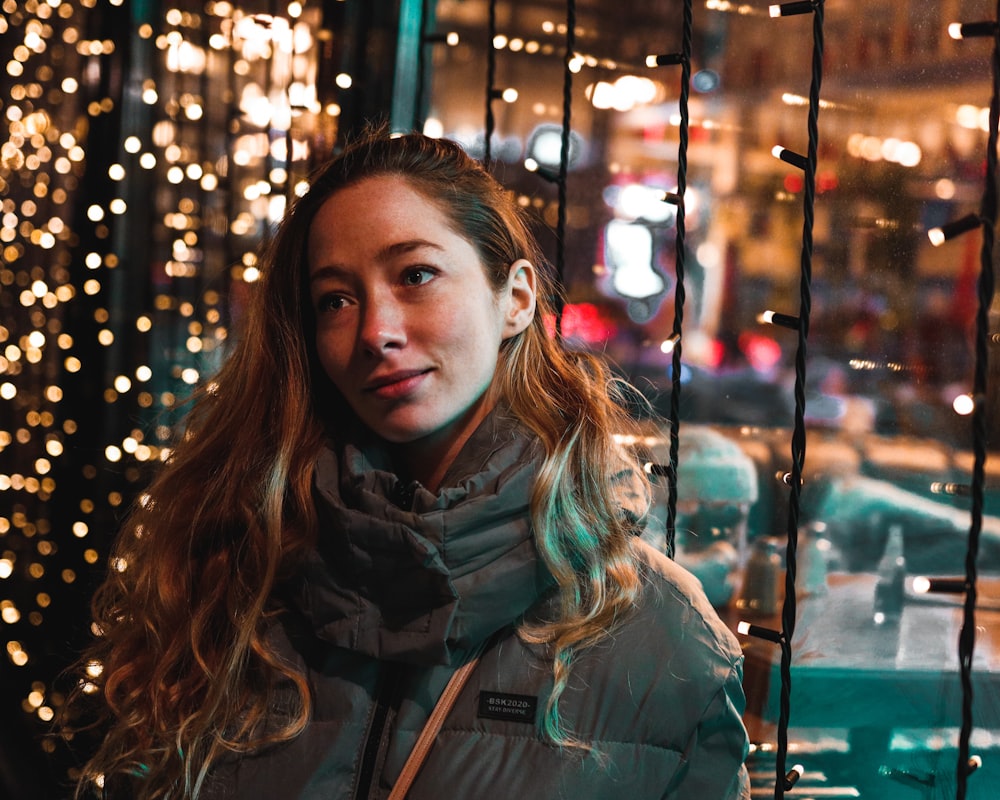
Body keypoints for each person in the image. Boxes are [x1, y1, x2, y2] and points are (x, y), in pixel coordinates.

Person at [71, 130, 750, 799]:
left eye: (416, 275)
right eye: (335, 299)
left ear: (515, 299)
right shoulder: (239, 572)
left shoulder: (656, 632)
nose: (374, 331)